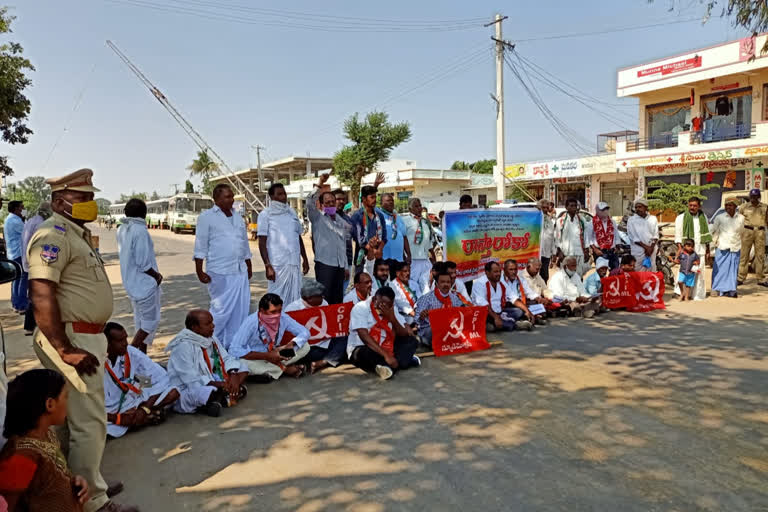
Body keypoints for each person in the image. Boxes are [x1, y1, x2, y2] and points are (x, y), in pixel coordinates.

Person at [27, 169, 136, 512]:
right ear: (60, 202)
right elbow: (42, 292)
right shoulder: (53, 235)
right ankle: (94, 503)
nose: (90, 204)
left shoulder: (75, 234)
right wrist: (64, 348)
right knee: (90, 423)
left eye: (90, 198)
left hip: (85, 338)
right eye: (83, 199)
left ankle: (80, 486)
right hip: (72, 340)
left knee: (73, 421)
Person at [0, 369, 91, 512]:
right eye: (66, 397)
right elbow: (7, 506)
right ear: (50, 404)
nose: (68, 402)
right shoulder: (21, 456)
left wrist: (72, 482)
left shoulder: (46, 434)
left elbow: (46, 480)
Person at [195, 184, 253, 348]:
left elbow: (244, 244)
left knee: (239, 312)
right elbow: (201, 245)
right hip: (220, 271)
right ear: (217, 199)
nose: (231, 199)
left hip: (240, 270)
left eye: (232, 196)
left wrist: (248, 265)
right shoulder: (207, 217)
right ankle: (208, 346)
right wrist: (199, 270)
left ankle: (232, 347)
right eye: (227, 197)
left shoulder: (238, 217)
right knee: (220, 312)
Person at [165, 310, 249, 417]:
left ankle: (222, 396)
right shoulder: (182, 346)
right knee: (205, 392)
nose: (213, 326)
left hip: (213, 377)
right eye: (208, 324)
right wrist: (221, 384)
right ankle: (225, 395)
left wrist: (232, 374)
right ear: (194, 327)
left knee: (243, 367)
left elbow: (226, 358)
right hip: (190, 387)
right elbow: (191, 380)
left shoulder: (211, 338)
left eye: (212, 322)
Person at [102, 322, 179, 438]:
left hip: (132, 393)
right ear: (106, 344)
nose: (125, 344)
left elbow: (161, 377)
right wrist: (117, 418)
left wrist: (144, 409)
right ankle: (144, 419)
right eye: (120, 341)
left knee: (173, 392)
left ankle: (142, 416)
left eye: (125, 339)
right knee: (99, 428)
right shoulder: (96, 363)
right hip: (110, 410)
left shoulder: (130, 352)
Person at [116, 199, 163, 353]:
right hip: (145, 284)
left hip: (132, 283)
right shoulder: (140, 231)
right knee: (149, 324)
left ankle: (141, 358)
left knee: (141, 323)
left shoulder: (122, 228)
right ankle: (128, 355)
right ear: (144, 213)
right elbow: (143, 262)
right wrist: (156, 276)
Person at [228, 293, 311, 379]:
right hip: (257, 358)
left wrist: (291, 344)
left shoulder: (282, 317)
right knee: (242, 364)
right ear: (262, 310)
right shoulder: (250, 323)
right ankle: (284, 369)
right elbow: (234, 350)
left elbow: (305, 332)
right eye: (273, 312)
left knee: (305, 346)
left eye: (279, 311)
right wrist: (267, 356)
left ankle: (271, 371)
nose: (277, 315)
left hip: (277, 353)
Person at [347, 286, 421, 380]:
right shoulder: (360, 308)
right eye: (381, 305)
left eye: (387, 306)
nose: (383, 308)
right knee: (364, 353)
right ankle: (404, 362)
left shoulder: (391, 309)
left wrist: (392, 318)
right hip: (365, 347)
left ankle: (388, 366)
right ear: (374, 299)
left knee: (412, 341)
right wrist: (386, 356)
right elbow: (364, 336)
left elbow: (404, 334)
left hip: (387, 345)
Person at [258, 183, 309, 309]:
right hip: (278, 265)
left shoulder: (291, 212)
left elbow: (297, 237)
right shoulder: (265, 215)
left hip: (294, 263)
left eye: (284, 193)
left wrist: (305, 259)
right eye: (279, 194)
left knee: (295, 298)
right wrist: (267, 265)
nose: (283, 197)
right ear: (271, 196)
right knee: (276, 298)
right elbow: (262, 242)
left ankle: (291, 325)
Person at [284, 279, 347, 373]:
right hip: (304, 348)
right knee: (288, 354)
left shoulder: (324, 303)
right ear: (308, 298)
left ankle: (322, 362)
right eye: (320, 296)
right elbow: (287, 338)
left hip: (323, 344)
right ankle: (329, 358)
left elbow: (330, 325)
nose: (323, 297)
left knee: (344, 337)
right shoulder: (292, 309)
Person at [307, 174, 351, 304]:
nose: (331, 204)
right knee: (324, 299)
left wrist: (345, 267)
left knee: (338, 300)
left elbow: (342, 245)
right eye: (327, 202)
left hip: (339, 267)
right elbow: (309, 201)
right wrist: (320, 183)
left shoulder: (340, 221)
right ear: (321, 204)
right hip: (325, 265)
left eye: (333, 201)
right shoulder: (317, 217)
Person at [21, 202, 53, 334]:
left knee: (35, 294)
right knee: (38, 295)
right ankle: (31, 326)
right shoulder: (41, 224)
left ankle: (32, 325)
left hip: (28, 261)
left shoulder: (31, 221)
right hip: (36, 263)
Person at [414, 269, 465, 346]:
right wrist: (422, 316)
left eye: (448, 282)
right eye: (442, 282)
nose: (446, 284)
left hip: (450, 328)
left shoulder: (455, 299)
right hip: (430, 330)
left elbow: (463, 313)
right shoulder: (426, 298)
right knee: (433, 331)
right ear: (437, 284)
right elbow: (416, 319)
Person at [674, 197, 711, 301]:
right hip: (686, 251)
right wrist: (680, 248)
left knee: (699, 272)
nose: (692, 207)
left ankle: (697, 295)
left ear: (699, 206)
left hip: (700, 249)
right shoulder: (681, 217)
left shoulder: (703, 216)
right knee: (683, 271)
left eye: (695, 206)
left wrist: (708, 249)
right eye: (690, 205)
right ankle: (680, 292)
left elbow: (707, 233)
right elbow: (678, 234)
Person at [472, 261, 523, 332]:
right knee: (507, 325)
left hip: (499, 312)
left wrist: (527, 311)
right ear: (487, 272)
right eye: (495, 272)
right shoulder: (479, 283)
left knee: (519, 311)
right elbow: (484, 305)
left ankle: (496, 325)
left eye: (499, 271)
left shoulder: (501, 282)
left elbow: (513, 297)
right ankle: (514, 325)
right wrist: (496, 317)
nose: (499, 274)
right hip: (486, 314)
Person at [711, 198, 744, 298]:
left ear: (735, 206)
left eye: (730, 205)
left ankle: (731, 290)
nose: (728, 207)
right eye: (726, 205)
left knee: (733, 270)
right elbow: (714, 231)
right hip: (722, 247)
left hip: (735, 247)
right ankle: (716, 289)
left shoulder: (741, 218)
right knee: (719, 269)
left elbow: (741, 232)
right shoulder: (719, 217)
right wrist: (712, 246)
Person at [350, 184, 387, 273]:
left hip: (378, 255)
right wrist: (373, 251)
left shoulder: (380, 215)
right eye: (371, 197)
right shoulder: (357, 216)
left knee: (378, 283)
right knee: (363, 283)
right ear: (363, 199)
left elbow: (384, 236)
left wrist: (379, 250)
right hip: (362, 256)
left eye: (375, 197)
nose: (374, 200)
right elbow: (360, 240)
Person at [402, 198, 436, 294]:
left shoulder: (426, 222)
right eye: (416, 206)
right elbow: (402, 239)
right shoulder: (405, 221)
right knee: (413, 285)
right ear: (410, 208)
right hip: (413, 260)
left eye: (420, 205)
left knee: (427, 285)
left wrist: (433, 257)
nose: (419, 208)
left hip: (425, 259)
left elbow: (429, 242)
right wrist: (405, 256)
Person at [737, 188, 768, 286]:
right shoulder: (744, 207)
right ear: (750, 197)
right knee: (744, 255)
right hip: (747, 231)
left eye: (756, 196)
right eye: (752, 196)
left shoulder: (765, 207)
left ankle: (761, 278)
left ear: (759, 197)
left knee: (760, 256)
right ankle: (740, 278)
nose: (753, 198)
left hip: (760, 231)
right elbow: (738, 220)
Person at [554, 198, 590, 277]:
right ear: (566, 207)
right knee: (565, 276)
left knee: (579, 276)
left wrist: (587, 251)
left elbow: (586, 236)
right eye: (571, 206)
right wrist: (559, 251)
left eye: (575, 206)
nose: (574, 207)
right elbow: (557, 237)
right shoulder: (560, 221)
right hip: (566, 253)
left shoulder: (582, 220)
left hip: (579, 252)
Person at [378, 193, 411, 280]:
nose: (391, 202)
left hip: (399, 259)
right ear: (381, 203)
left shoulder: (398, 217)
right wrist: (375, 186)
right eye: (388, 201)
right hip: (384, 259)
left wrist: (408, 254)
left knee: (398, 285)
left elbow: (404, 236)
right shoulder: (378, 215)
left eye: (392, 200)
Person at [5, 199, 28, 313]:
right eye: (22, 208)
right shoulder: (16, 221)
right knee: (24, 277)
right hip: (18, 253)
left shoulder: (10, 219)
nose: (24, 210)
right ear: (16, 209)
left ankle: (16, 303)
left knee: (16, 278)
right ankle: (22, 305)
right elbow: (27, 232)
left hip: (12, 253)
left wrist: (23, 218)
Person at [501, 259, 536, 329]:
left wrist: (539, 298)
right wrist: (526, 310)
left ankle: (526, 318)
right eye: (511, 269)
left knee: (536, 304)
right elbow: (513, 299)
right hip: (508, 306)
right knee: (519, 311)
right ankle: (517, 322)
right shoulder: (501, 281)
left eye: (515, 269)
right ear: (504, 270)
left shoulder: (520, 279)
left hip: (520, 303)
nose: (514, 272)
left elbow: (529, 292)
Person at [627, 198, 659, 271]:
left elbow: (656, 235)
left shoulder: (653, 219)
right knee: (638, 272)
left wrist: (651, 247)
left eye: (640, 207)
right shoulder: (631, 220)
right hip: (638, 250)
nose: (638, 209)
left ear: (646, 207)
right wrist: (646, 247)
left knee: (651, 271)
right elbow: (633, 237)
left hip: (651, 250)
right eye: (636, 207)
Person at [332, 188, 355, 292]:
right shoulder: (326, 218)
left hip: (348, 259)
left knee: (343, 292)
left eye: (343, 199)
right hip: (332, 262)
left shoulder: (348, 219)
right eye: (338, 199)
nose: (341, 201)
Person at [588, 202, 619, 270]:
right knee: (601, 273)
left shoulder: (612, 222)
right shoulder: (592, 223)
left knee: (615, 272)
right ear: (597, 211)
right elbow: (589, 238)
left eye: (607, 209)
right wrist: (595, 250)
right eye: (603, 210)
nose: (605, 211)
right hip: (600, 251)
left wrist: (617, 246)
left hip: (612, 251)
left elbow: (616, 235)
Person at [538, 199, 556, 282]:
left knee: (545, 275)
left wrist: (554, 252)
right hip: (537, 251)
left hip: (547, 252)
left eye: (546, 207)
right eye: (542, 207)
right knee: (536, 274)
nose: (544, 210)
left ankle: (543, 293)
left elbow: (552, 237)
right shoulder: (535, 219)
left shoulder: (550, 221)